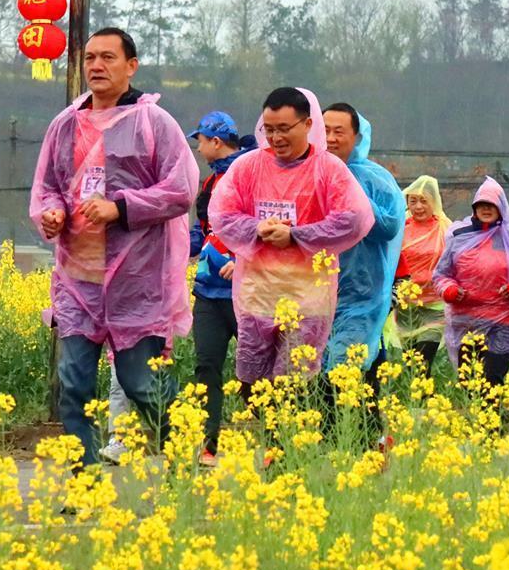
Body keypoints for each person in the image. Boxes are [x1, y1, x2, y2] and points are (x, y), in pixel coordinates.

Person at [30, 27, 198, 467]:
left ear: (131, 66)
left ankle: (184, 458)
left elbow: (180, 190)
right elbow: (48, 186)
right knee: (73, 382)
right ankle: (83, 480)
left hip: (136, 281)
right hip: (78, 279)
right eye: (89, 58)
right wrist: (53, 213)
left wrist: (119, 207)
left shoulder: (154, 122)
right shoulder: (65, 125)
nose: (96, 66)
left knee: (141, 382)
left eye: (107, 57)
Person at [208, 87, 374, 387]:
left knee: (294, 385)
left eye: (284, 129)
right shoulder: (248, 166)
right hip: (258, 291)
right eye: (269, 129)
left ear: (308, 125)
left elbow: (355, 218)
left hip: (308, 295)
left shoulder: (328, 169)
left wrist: (296, 236)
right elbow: (221, 214)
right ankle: (263, 433)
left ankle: (287, 434)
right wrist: (256, 228)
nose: (276, 138)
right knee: (252, 381)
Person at [137, 110, 253, 469]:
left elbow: (258, 226)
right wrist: (164, 251)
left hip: (244, 290)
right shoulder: (208, 184)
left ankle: (272, 438)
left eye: (200, 141)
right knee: (206, 368)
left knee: (255, 371)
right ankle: (209, 445)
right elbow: (202, 232)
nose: (198, 148)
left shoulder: (248, 176)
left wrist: (245, 260)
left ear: (215, 141)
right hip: (208, 290)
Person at [322, 103, 404, 424]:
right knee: (322, 380)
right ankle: (344, 451)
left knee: (346, 378)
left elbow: (389, 226)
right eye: (324, 130)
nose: (329, 138)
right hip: (315, 295)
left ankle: (362, 449)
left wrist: (351, 192)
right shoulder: (308, 174)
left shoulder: (374, 178)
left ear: (356, 136)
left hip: (361, 296)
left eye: (338, 131)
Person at [433, 176, 509, 387]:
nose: (486, 209)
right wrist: (449, 289)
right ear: (474, 208)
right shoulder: (459, 236)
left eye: (491, 205)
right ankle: (479, 419)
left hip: (504, 321)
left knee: (493, 379)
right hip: (465, 320)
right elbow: (440, 274)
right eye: (481, 205)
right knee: (469, 383)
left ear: (501, 208)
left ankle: (491, 419)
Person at [393, 175, 452, 374]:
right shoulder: (400, 228)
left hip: (435, 304)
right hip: (405, 305)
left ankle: (423, 401)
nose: (418, 207)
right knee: (411, 363)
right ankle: (421, 401)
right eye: (413, 201)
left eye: (424, 201)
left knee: (424, 357)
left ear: (434, 202)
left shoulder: (445, 229)